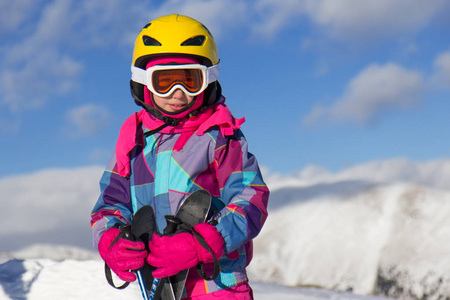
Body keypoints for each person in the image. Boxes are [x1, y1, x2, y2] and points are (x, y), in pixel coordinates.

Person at [91, 14, 269, 300]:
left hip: (218, 285)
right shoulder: (133, 140)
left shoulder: (219, 135)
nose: (178, 93)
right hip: (158, 287)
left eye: (189, 80)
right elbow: (110, 204)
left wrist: (206, 242)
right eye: (165, 81)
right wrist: (111, 240)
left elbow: (251, 197)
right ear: (143, 82)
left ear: (208, 79)